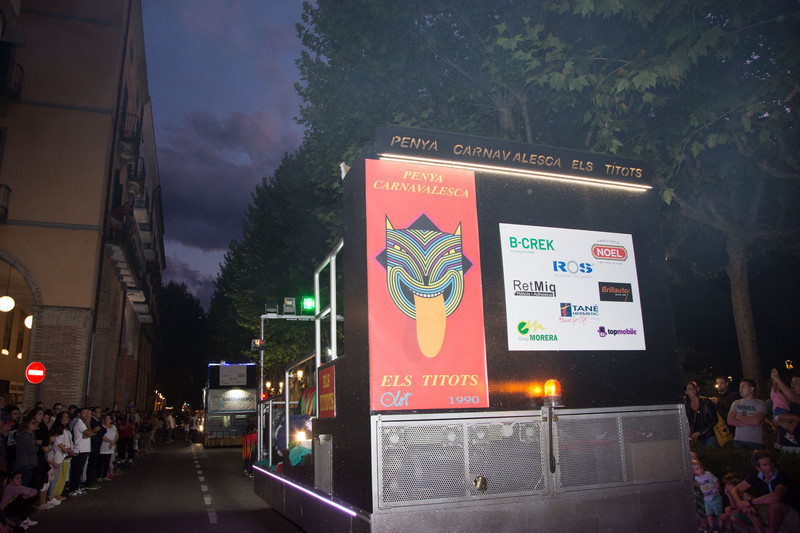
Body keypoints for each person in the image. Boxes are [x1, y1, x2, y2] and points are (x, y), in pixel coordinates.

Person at [730, 450, 800, 533]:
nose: (770, 467)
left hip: (792, 517)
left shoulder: (782, 476)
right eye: (765, 465)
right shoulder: (756, 476)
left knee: (774, 504)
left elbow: (775, 497)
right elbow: (735, 490)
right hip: (770, 514)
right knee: (745, 496)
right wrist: (741, 503)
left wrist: (749, 502)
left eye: (770, 463)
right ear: (758, 468)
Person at [728, 378, 769, 450]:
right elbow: (730, 421)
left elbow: (756, 421)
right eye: (740, 387)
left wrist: (739, 417)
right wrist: (750, 421)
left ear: (752, 389)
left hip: (755, 442)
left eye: (743, 387)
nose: (740, 389)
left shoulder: (760, 404)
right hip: (738, 440)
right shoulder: (736, 403)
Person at [685, 381, 719, 447]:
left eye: (693, 388)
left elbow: (714, 419)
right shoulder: (686, 405)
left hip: (709, 435)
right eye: (689, 389)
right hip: (696, 437)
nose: (692, 390)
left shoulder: (705, 401)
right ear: (686, 392)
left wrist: (700, 432)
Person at [692, 459, 723, 532]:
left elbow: (716, 480)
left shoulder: (708, 474)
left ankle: (721, 526)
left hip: (715, 497)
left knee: (718, 513)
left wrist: (718, 488)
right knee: (708, 514)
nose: (701, 470)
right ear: (694, 472)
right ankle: (712, 527)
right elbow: (697, 485)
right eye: (697, 469)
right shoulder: (696, 478)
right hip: (706, 499)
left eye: (701, 467)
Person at [68, 408, 91, 496]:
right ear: (79, 414)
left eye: (87, 413)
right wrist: (88, 423)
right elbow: (89, 433)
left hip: (84, 449)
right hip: (79, 449)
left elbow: (88, 434)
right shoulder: (79, 423)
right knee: (76, 470)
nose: (86, 415)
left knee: (80, 470)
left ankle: (77, 486)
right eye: (84, 413)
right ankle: (73, 488)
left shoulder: (83, 423)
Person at [98, 414, 117, 481]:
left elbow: (117, 435)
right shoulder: (102, 427)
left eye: (108, 418)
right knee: (101, 462)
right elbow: (102, 436)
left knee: (107, 461)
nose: (107, 420)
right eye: (106, 418)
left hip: (110, 447)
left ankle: (105, 475)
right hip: (103, 446)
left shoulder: (114, 427)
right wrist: (110, 441)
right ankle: (99, 475)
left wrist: (113, 442)